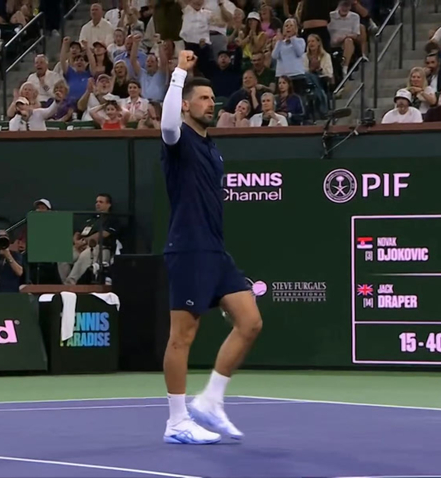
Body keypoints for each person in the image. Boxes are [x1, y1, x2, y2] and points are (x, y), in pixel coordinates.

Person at [159, 51, 263, 445]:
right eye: (202, 98)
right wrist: (178, 73)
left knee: (250, 322)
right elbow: (167, 123)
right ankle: (176, 421)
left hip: (215, 251)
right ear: (186, 105)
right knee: (182, 337)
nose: (210, 103)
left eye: (212, 99)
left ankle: (211, 400)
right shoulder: (177, 140)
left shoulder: (211, 146)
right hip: (188, 249)